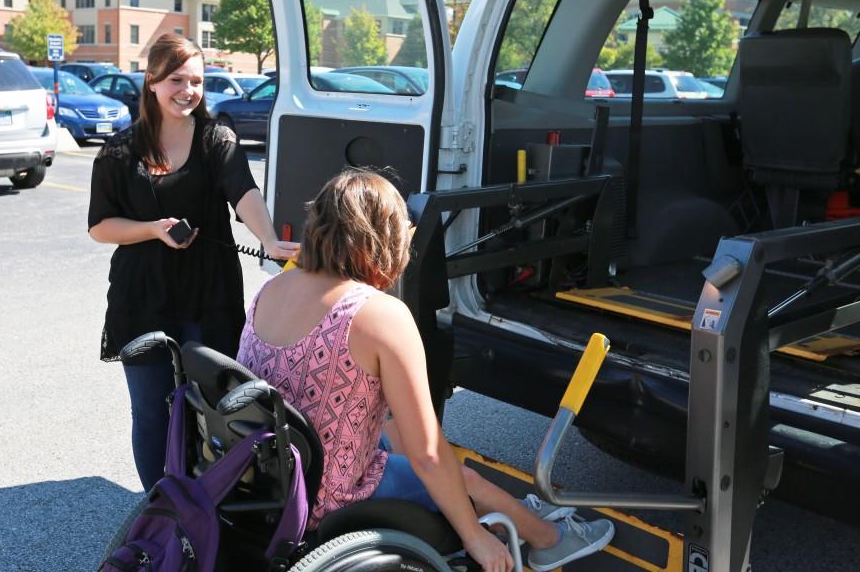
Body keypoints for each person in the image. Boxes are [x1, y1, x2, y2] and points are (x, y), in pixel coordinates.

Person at [237, 169, 614, 572]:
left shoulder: (270, 290)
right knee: (453, 473)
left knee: (397, 432)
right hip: (325, 495)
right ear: (384, 238)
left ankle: (518, 513)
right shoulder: (378, 314)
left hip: (271, 473)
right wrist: (475, 537)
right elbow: (429, 455)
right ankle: (548, 539)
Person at [88, 33, 297, 492]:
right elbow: (100, 227)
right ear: (152, 81)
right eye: (176, 79)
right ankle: (160, 509)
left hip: (209, 294)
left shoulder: (216, 138)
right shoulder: (119, 152)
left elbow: (244, 191)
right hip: (141, 295)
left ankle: (211, 506)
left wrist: (268, 239)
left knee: (221, 408)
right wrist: (152, 229)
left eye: (197, 80)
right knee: (151, 414)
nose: (188, 90)